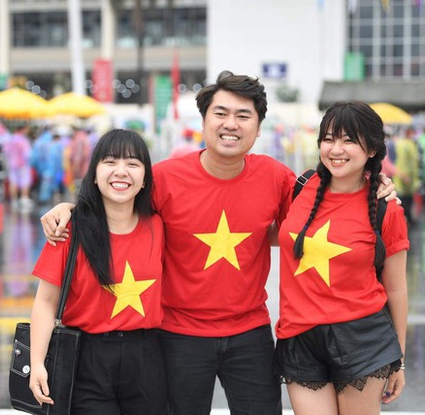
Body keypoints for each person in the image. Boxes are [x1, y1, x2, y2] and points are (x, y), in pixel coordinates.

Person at [40, 71, 397, 415]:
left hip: (250, 333)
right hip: (178, 335)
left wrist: (375, 186)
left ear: (258, 129)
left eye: (244, 115)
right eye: (221, 113)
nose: (231, 124)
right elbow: (116, 201)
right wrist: (70, 208)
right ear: (204, 121)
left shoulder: (276, 177)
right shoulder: (164, 178)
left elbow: (321, 211)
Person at [274, 101, 408, 414]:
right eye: (329, 139)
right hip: (299, 336)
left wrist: (399, 360)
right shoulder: (301, 187)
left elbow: (397, 288)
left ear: (372, 149)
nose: (337, 149)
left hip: (362, 338)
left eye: (349, 140)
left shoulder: (387, 208)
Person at [29, 129, 166, 414]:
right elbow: (45, 301)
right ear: (94, 174)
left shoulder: (159, 226)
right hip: (86, 358)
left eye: (132, 163)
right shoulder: (68, 230)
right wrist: (38, 363)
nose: (121, 172)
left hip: (147, 356)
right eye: (109, 161)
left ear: (144, 179)